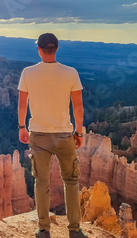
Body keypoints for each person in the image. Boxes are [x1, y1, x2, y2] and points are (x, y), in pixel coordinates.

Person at [17, 33, 88, 238]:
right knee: (71, 182)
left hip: (38, 135)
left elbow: (23, 104)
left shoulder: (28, 72)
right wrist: (79, 132)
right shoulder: (71, 73)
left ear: (38, 49)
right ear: (57, 49)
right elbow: (78, 107)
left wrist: (22, 126)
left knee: (41, 182)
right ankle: (74, 230)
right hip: (65, 135)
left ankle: (43, 229)